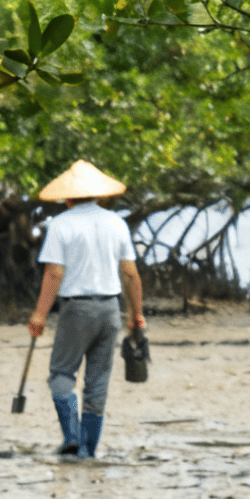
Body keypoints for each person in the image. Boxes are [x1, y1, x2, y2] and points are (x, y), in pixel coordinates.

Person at [26, 160, 147, 460]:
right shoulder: (116, 222)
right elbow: (130, 273)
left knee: (61, 372)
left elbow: (54, 273)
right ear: (97, 195)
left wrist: (40, 314)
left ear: (66, 197)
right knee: (98, 381)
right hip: (110, 309)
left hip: (76, 309)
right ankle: (87, 450)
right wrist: (136, 314)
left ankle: (71, 437)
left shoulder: (61, 224)